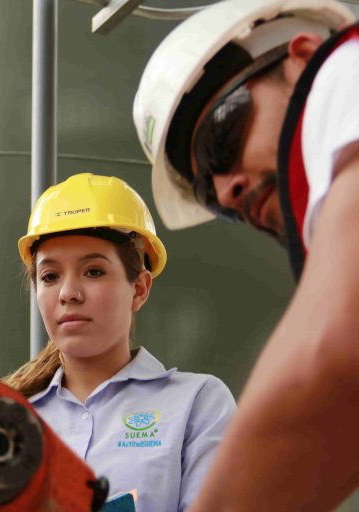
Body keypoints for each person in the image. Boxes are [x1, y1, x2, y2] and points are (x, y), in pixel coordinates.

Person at [132, 0, 359, 509]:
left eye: (221, 137)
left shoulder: (346, 72)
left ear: (303, 57)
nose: (226, 191)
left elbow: (330, 361)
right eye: (207, 192)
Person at [3, 173, 236, 512]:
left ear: (139, 289)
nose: (68, 293)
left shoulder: (197, 404)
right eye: (50, 276)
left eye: (93, 271)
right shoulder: (7, 420)